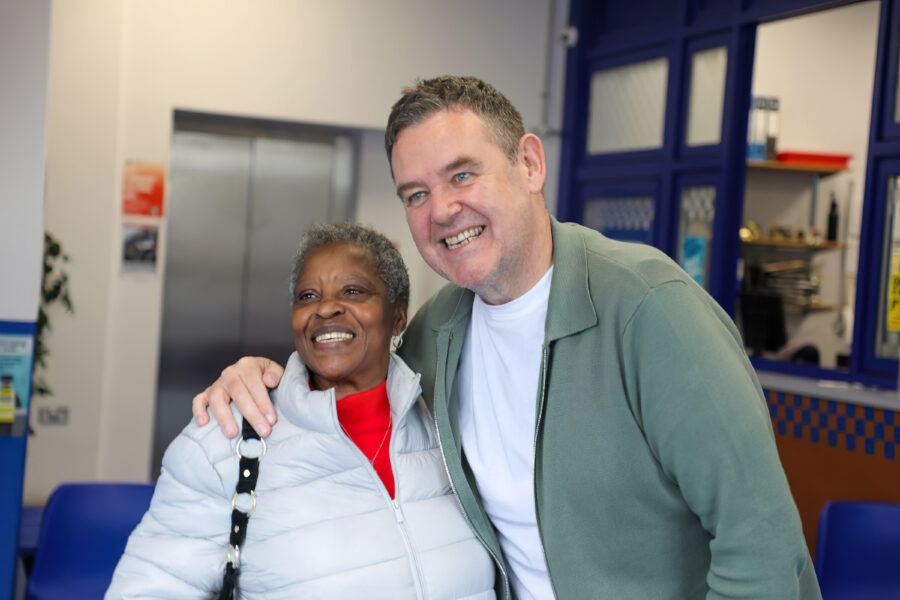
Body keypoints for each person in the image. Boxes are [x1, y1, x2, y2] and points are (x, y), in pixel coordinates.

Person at [194, 76, 822, 599]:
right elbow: (343, 389)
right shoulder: (437, 334)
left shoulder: (649, 311)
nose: (441, 210)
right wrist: (261, 378)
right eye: (416, 193)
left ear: (528, 163)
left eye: (462, 175)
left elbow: (762, 544)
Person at [108, 223, 496, 599]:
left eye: (353, 291)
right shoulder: (223, 443)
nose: (326, 308)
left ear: (398, 315)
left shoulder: (448, 422)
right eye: (308, 296)